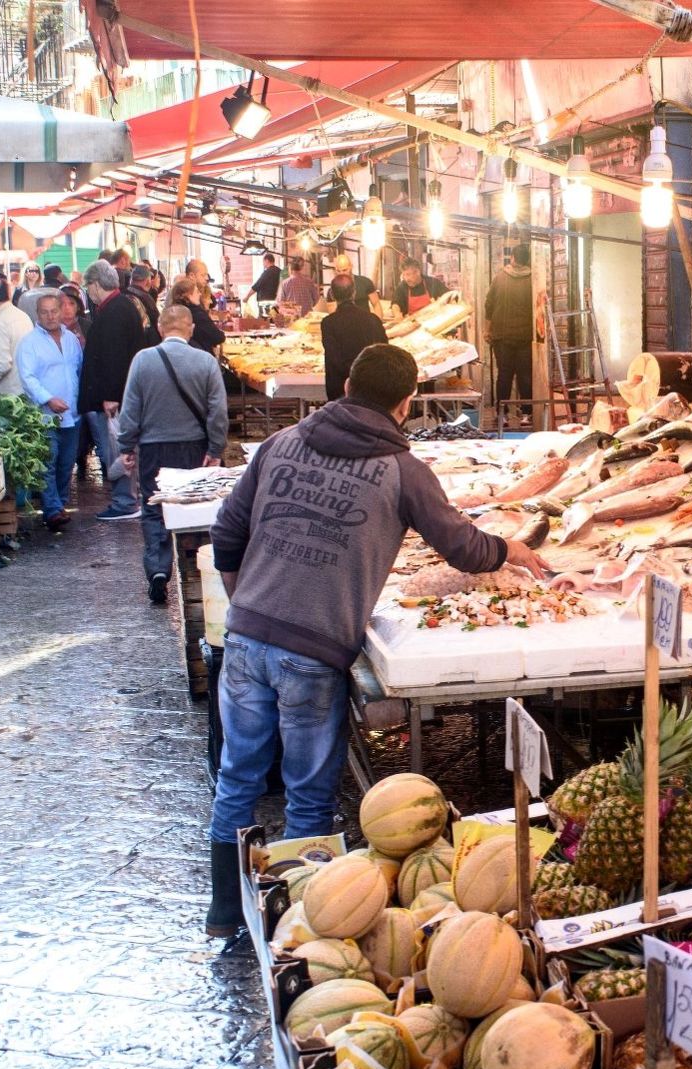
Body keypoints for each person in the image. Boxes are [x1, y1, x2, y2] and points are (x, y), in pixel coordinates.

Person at [202, 343, 549, 934]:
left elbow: (226, 532)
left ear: (344, 388)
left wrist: (248, 606)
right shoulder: (402, 470)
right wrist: (512, 547)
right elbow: (462, 547)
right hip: (312, 651)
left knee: (238, 776)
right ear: (407, 402)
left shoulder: (280, 445)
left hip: (246, 637)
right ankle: (297, 925)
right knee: (309, 793)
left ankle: (226, 910)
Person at [118, 303, 228, 606]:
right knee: (198, 507)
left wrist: (127, 446)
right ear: (191, 328)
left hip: (154, 449)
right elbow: (218, 411)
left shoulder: (143, 360)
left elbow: (131, 410)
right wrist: (216, 449)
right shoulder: (205, 361)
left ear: (159, 328)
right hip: (194, 447)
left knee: (155, 509)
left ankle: (158, 570)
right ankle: (199, 569)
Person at [77, 260, 153, 524]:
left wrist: (110, 395)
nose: (89, 291)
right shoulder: (121, 306)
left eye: (89, 286)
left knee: (118, 448)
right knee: (122, 447)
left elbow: (114, 357)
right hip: (119, 395)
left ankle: (125, 501)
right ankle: (128, 499)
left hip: (113, 399)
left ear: (97, 285)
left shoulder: (114, 311)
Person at [15, 291, 84, 534]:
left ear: (61, 310)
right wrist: (48, 399)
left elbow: (78, 370)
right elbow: (28, 378)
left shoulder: (71, 339)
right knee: (49, 463)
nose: (50, 316)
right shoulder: (29, 343)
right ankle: (53, 510)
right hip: (45, 416)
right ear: (38, 314)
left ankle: (60, 504)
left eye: (54, 311)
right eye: (44, 312)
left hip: (72, 413)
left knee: (67, 463)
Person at [484, 242, 535, 428]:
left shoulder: (499, 278)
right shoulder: (533, 280)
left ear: (512, 258)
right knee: (525, 376)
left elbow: (488, 305)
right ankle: (527, 415)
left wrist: (487, 329)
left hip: (502, 336)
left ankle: (502, 415)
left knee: (504, 375)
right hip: (525, 336)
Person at [320, 274, 386, 403]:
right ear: (354, 293)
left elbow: (333, 357)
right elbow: (384, 352)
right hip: (370, 387)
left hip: (338, 390)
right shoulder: (373, 320)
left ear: (332, 295)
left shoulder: (328, 323)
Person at [0, 272, 34, 397]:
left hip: (11, 392)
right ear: (8, 294)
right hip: (28, 387)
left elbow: (2, 364)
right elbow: (15, 349)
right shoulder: (22, 316)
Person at [170, 275, 225, 356]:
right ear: (188, 295)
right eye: (197, 292)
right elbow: (218, 337)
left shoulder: (172, 312)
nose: (199, 294)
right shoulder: (198, 315)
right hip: (201, 356)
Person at [126, 263, 162, 333]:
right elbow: (156, 320)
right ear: (147, 281)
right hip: (145, 339)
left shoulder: (123, 294)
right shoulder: (145, 297)